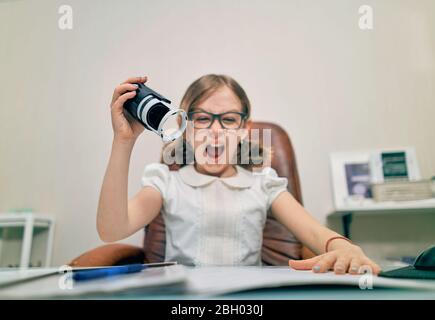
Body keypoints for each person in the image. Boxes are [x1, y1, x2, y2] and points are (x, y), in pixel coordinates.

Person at [97, 74, 381, 274]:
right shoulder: (166, 182)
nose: (216, 132)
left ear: (245, 128)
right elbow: (111, 229)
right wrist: (123, 141)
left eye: (229, 120)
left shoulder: (263, 184)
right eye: (202, 118)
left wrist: (342, 247)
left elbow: (314, 233)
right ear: (184, 126)